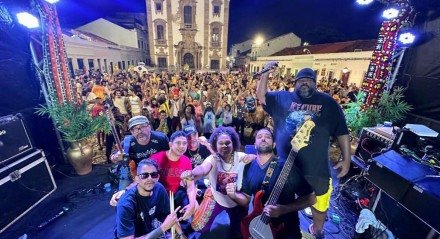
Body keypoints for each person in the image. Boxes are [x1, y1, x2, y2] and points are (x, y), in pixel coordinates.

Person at [256, 63, 351, 239]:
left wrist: (347, 159)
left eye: (309, 80)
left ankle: (318, 230)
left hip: (317, 169)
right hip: (287, 167)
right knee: (283, 203)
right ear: (295, 83)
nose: (305, 83)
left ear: (315, 83)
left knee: (320, 203)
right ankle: (283, 230)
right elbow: (261, 96)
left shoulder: (328, 103)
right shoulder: (283, 97)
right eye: (301, 80)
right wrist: (265, 75)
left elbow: (342, 132)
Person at [230, 128, 316, 239]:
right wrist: (233, 195)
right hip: (259, 226)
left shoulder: (286, 167)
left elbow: (312, 198)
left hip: (286, 229)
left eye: (267, 136)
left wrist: (284, 209)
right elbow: (246, 198)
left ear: (274, 145)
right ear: (255, 145)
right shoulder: (248, 167)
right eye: (259, 137)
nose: (263, 138)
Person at [180, 126, 255, 239]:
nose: (224, 145)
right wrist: (192, 172)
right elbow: (203, 168)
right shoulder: (213, 158)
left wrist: (253, 157)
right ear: (215, 145)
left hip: (236, 200)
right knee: (199, 226)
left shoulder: (241, 157)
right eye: (220, 143)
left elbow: (257, 160)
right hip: (216, 198)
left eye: (227, 143)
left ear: (233, 143)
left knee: (239, 231)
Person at [115, 159, 185, 239]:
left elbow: (170, 216)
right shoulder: (126, 204)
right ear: (137, 179)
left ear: (158, 177)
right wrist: (163, 228)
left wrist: (181, 234)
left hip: (153, 231)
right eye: (144, 175)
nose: (150, 179)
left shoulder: (159, 189)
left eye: (153, 175)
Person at [110, 115, 169, 190]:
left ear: (149, 127)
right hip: (133, 172)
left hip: (157, 170)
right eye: (135, 129)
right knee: (123, 195)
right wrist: (116, 157)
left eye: (143, 126)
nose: (139, 131)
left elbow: (169, 155)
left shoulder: (161, 138)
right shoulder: (127, 143)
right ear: (131, 132)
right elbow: (113, 156)